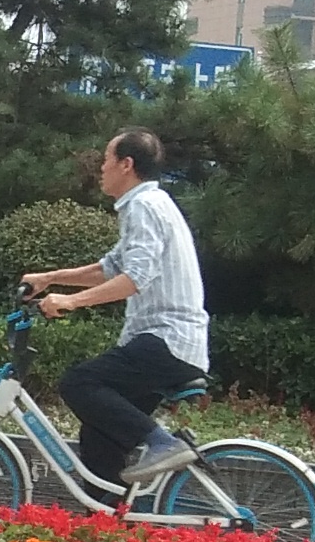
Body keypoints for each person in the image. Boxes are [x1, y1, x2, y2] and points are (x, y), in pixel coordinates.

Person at [18, 128, 208, 494]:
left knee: (79, 383)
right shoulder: (148, 204)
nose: (101, 168)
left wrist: (70, 301)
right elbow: (110, 268)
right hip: (167, 342)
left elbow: (135, 278)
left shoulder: (144, 206)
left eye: (106, 159)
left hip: (167, 341)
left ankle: (163, 443)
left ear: (126, 164)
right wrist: (49, 278)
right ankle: (106, 519)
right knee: (100, 436)